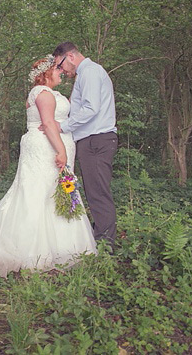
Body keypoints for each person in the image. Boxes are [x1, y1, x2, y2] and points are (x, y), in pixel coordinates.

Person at [0, 55, 96, 280]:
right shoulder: (43, 94)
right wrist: (61, 151)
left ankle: (59, 246)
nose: (61, 72)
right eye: (57, 69)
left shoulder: (42, 93)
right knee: (40, 193)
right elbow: (46, 124)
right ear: (46, 74)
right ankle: (37, 250)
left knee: (49, 192)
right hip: (47, 148)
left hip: (47, 145)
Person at [52, 42, 118, 247]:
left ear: (70, 56)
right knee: (93, 191)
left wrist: (63, 127)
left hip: (96, 140)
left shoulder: (89, 72)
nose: (61, 70)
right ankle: (101, 237)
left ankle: (105, 244)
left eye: (60, 65)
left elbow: (91, 109)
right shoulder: (86, 74)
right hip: (92, 140)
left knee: (98, 193)